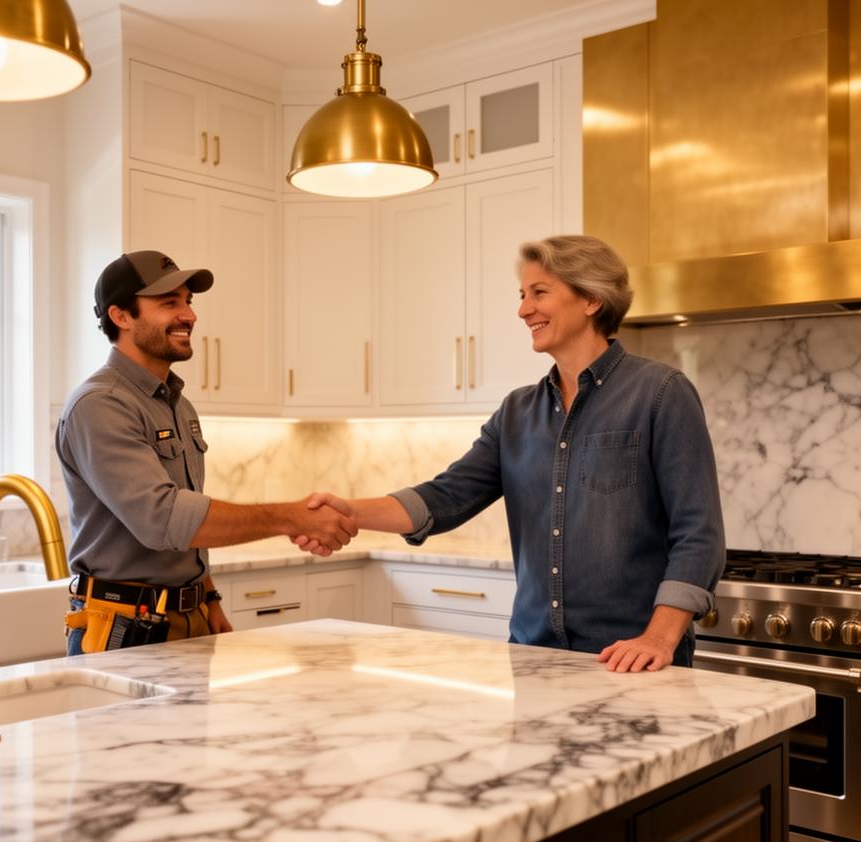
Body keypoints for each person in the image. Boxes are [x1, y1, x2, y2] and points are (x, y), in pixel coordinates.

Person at [296, 235, 725, 673]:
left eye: (540, 293)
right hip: (533, 656)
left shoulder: (661, 393)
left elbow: (698, 533)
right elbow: (445, 497)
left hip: (630, 660)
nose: (524, 310)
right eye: (522, 296)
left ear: (592, 299)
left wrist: (658, 637)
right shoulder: (518, 411)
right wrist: (347, 511)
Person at [56, 250, 358, 655]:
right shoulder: (100, 405)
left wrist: (207, 595)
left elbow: (189, 516)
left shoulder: (177, 403)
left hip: (188, 616)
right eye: (169, 303)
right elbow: (163, 518)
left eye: (188, 301)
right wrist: (290, 516)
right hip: (123, 628)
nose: (189, 316)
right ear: (121, 316)